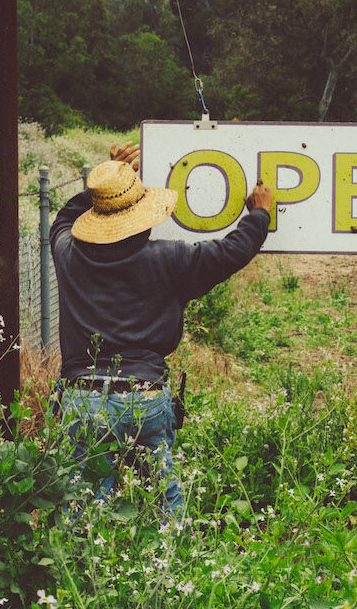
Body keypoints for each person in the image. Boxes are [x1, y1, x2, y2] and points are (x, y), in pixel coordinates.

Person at [50, 140, 273, 513]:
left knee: (82, 511)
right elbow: (231, 251)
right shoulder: (172, 260)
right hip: (145, 396)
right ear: (142, 215)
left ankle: (81, 568)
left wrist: (104, 186)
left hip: (81, 397)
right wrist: (259, 214)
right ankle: (170, 563)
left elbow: (61, 221)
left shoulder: (67, 254)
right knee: (164, 502)